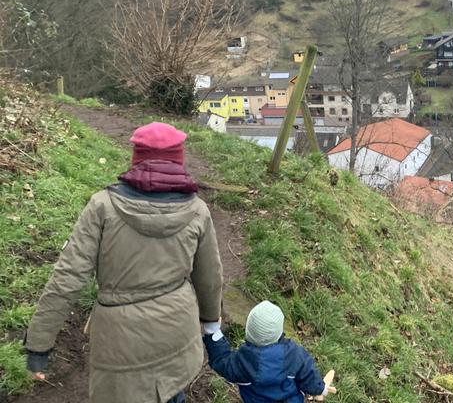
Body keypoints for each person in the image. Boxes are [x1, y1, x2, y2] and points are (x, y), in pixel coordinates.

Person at [25, 122, 223, 403]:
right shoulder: (197, 210)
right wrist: (210, 320)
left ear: (136, 158)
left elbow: (67, 277)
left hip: (119, 344)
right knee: (171, 393)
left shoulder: (102, 206)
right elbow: (210, 277)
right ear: (179, 160)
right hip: (176, 335)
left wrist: (39, 345)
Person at [203, 301, 336, 403]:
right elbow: (308, 376)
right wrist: (320, 389)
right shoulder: (295, 355)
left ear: (249, 331)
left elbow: (221, 360)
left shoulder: (241, 363)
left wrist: (213, 332)